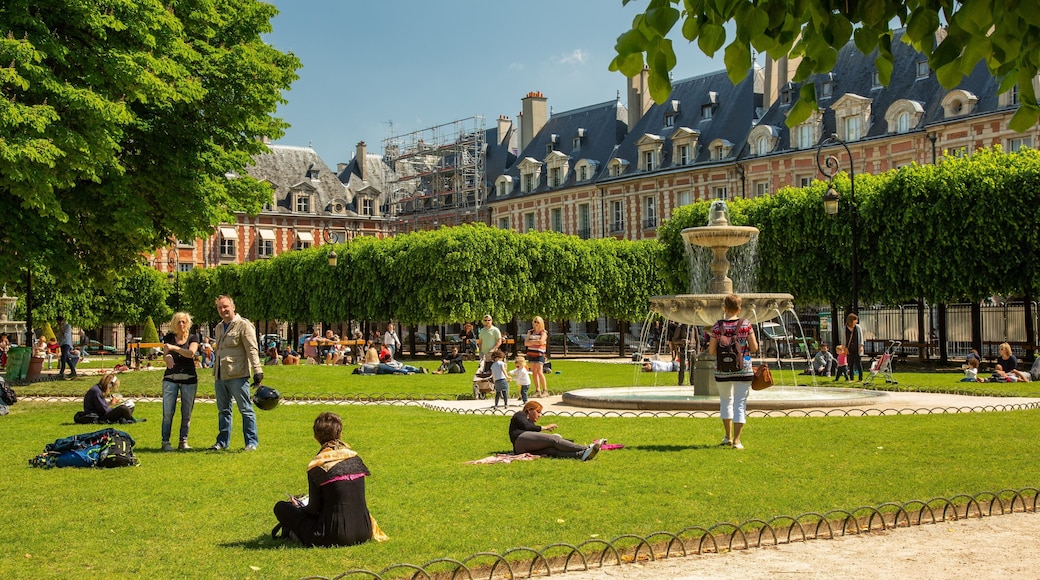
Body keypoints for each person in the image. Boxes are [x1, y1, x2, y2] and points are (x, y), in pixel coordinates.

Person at [272, 412, 388, 547]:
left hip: (333, 536)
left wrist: (298, 507)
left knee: (281, 507)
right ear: (340, 434)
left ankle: (295, 532)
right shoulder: (355, 459)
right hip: (365, 531)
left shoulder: (318, 465)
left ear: (315, 436)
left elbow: (313, 509)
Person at [210, 295, 263, 451]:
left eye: (226, 306)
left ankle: (251, 442)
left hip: (238, 375)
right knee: (223, 411)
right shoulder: (219, 327)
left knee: (246, 410)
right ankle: (222, 442)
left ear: (233, 306)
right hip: (220, 375)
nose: (223, 310)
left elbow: (252, 349)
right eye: (220, 307)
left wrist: (257, 370)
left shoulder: (244, 325)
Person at [709, 293, 758, 450]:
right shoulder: (745, 324)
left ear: (724, 308)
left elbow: (711, 351)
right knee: (740, 403)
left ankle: (727, 436)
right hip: (743, 369)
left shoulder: (717, 326)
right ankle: (737, 440)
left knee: (726, 401)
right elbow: (754, 347)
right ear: (739, 308)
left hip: (722, 370)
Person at [509, 401, 604, 460]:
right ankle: (587, 448)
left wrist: (566, 441)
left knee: (552, 450)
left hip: (523, 448)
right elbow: (527, 427)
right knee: (553, 439)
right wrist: (545, 427)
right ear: (529, 410)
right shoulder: (520, 414)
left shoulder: (530, 423)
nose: (539, 415)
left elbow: (534, 433)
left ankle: (581, 455)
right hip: (519, 441)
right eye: (538, 412)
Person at [160, 312, 200, 451]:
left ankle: (183, 441)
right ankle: (165, 442)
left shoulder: (193, 337)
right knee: (168, 413)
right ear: (174, 324)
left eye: (184, 322)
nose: (181, 324)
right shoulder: (169, 337)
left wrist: (174, 348)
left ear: (188, 323)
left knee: (186, 413)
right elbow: (165, 353)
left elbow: (190, 353)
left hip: (189, 379)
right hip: (171, 379)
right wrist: (167, 356)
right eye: (178, 322)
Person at [524, 317, 549, 397]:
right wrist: (536, 342)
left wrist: (531, 342)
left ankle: (545, 390)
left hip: (539, 354)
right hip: (531, 353)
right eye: (535, 321)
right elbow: (526, 343)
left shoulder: (543, 332)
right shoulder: (530, 332)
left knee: (539, 371)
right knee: (534, 372)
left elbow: (541, 342)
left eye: (538, 322)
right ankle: (537, 390)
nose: (536, 323)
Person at [56, 315, 78, 380]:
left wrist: (62, 328)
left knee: (63, 357)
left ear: (62, 321)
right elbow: (60, 337)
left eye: (59, 322)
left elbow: (65, 335)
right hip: (62, 344)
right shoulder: (60, 327)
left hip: (66, 344)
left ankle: (61, 371)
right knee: (66, 359)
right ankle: (73, 371)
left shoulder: (67, 326)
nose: (59, 324)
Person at [844, 313, 865, 382]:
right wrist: (845, 347)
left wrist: (861, 346)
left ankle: (860, 378)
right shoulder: (845, 328)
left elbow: (861, 337)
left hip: (857, 348)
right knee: (851, 363)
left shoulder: (858, 327)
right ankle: (851, 378)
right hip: (849, 348)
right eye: (855, 319)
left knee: (858, 363)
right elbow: (844, 338)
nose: (856, 321)